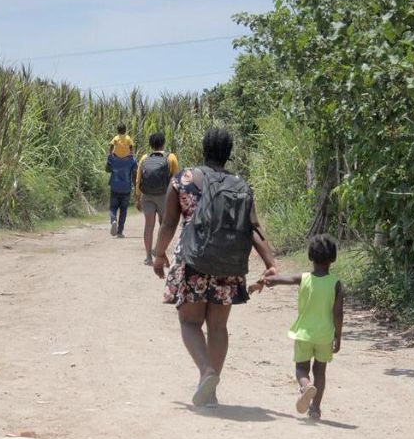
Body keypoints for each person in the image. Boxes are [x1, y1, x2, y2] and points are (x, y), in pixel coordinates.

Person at [153, 128, 278, 408]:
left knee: (189, 322)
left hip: (193, 261)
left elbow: (170, 223)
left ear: (204, 149)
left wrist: (159, 254)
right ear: (229, 152)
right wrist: (270, 263)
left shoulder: (183, 179)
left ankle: (207, 372)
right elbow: (253, 228)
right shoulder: (240, 184)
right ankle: (209, 391)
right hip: (228, 265)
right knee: (218, 327)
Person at [251, 234, 344, 420]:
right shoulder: (336, 284)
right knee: (320, 371)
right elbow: (338, 313)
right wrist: (338, 336)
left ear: (310, 257)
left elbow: (277, 280)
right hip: (325, 335)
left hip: (304, 334)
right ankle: (315, 408)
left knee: (301, 368)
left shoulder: (304, 278)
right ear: (333, 258)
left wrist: (260, 282)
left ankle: (305, 386)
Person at [135, 132, 179, 266]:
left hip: (147, 195)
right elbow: (176, 179)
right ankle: (160, 253)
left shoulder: (144, 158)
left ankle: (148, 257)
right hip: (164, 196)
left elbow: (138, 180)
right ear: (163, 143)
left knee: (149, 225)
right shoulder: (171, 157)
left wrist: (137, 197)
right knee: (163, 225)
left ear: (151, 144)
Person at [106, 151, 137, 238]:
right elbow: (134, 175)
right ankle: (120, 232)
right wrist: (136, 189)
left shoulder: (112, 158)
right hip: (126, 188)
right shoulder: (132, 160)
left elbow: (107, 169)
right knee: (123, 210)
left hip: (115, 187)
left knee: (113, 207)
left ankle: (113, 221)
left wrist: (109, 158)